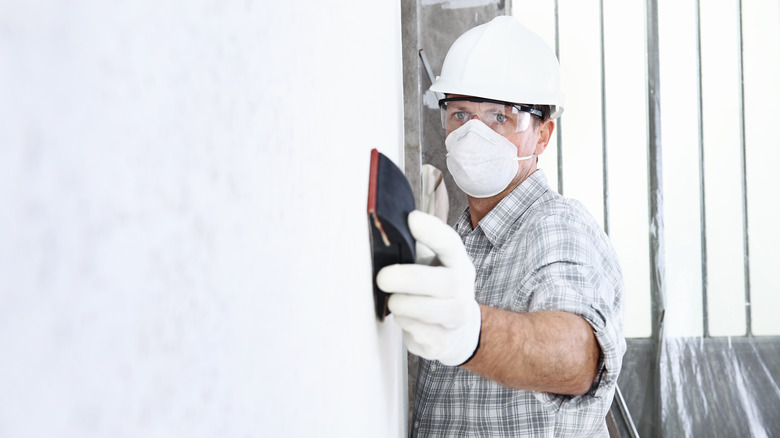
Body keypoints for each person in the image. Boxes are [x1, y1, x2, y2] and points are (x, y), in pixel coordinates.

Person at [376, 16, 626, 437]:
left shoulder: (557, 226)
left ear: (543, 135)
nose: (473, 133)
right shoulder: (461, 240)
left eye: (498, 117)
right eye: (459, 114)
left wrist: (470, 333)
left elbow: (576, 358)